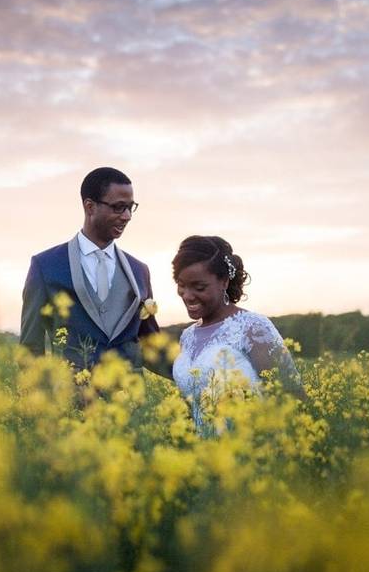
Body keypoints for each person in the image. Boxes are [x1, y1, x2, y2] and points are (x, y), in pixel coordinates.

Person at [20, 167, 160, 370]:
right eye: (119, 207)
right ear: (90, 206)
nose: (127, 216)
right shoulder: (45, 266)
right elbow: (31, 348)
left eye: (131, 207)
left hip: (129, 399)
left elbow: (152, 346)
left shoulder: (139, 271)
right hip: (69, 398)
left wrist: (202, 377)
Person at [171, 235, 301, 430]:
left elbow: (293, 400)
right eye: (181, 285)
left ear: (224, 281)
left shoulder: (253, 328)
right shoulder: (187, 336)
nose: (187, 295)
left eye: (199, 287)